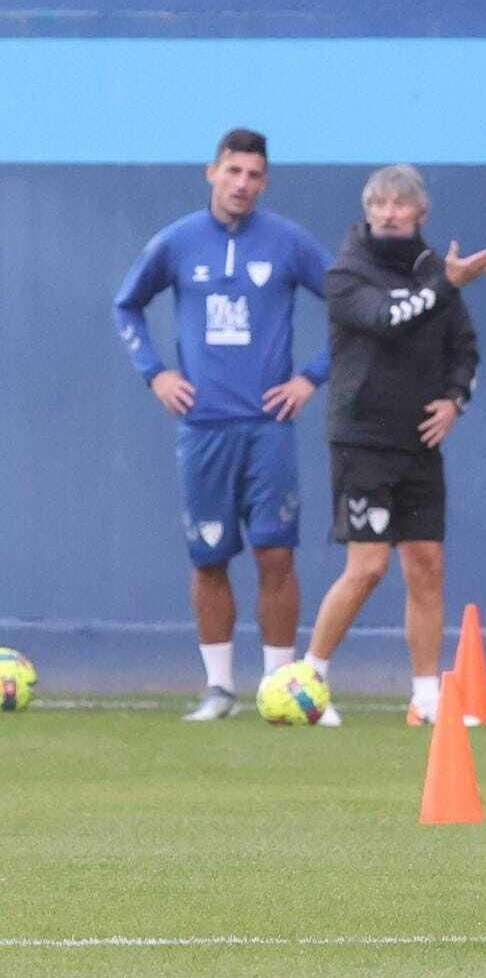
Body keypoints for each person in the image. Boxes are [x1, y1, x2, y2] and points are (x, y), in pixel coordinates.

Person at [114, 128, 334, 722]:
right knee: (209, 559)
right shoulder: (178, 241)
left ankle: (279, 683)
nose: (243, 184)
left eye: (254, 175)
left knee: (275, 556)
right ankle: (218, 689)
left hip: (269, 428)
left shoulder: (287, 242)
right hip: (203, 428)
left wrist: (311, 376)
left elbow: (351, 303)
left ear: (265, 181)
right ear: (211, 172)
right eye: (233, 171)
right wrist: (155, 373)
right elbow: (126, 304)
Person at [300, 165, 486, 724]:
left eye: (399, 204)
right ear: (367, 212)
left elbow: (466, 349)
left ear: (420, 214)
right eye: (378, 203)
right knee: (367, 567)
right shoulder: (345, 273)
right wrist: (446, 285)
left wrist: (454, 400)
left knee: (426, 564)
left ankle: (426, 697)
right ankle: (310, 677)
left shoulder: (437, 270)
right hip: (362, 440)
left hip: (419, 444)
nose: (388, 212)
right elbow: (387, 319)